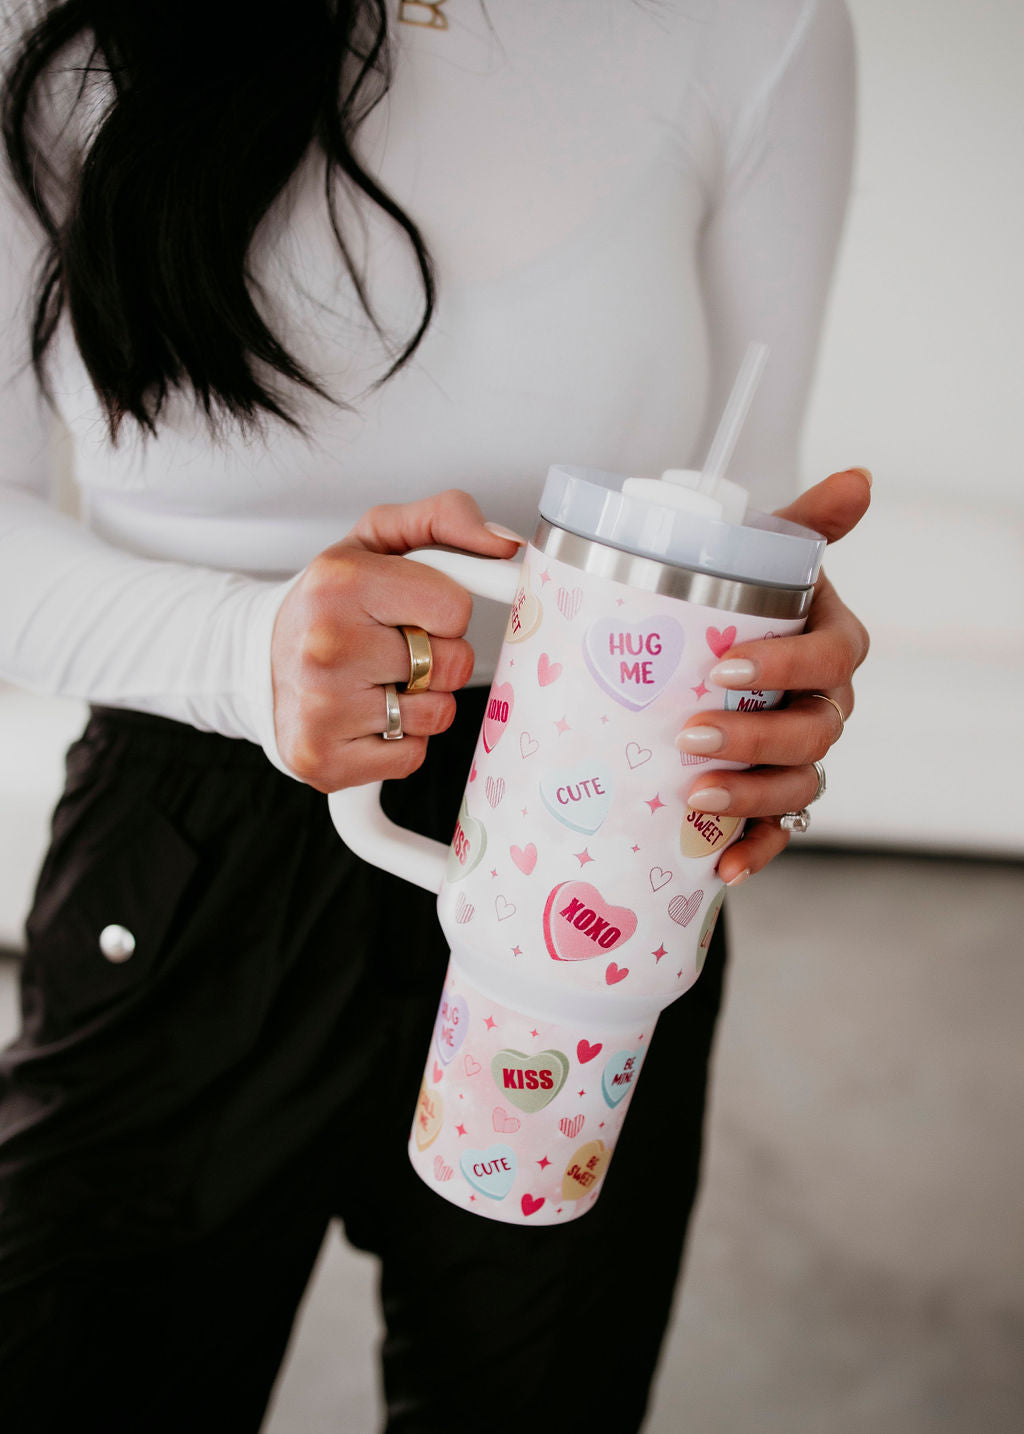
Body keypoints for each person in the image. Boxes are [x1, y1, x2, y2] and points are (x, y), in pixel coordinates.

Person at [0, 1, 869, 1429]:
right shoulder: (47, 21)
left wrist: (784, 660)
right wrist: (251, 649)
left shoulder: (759, 23)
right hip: (190, 841)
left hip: (598, 857)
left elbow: (750, 507)